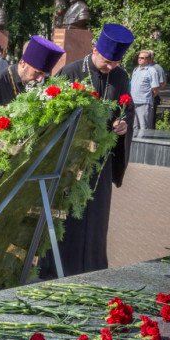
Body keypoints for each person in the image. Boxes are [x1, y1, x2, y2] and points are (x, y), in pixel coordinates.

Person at [51, 23, 134, 276]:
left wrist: (123, 124)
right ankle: (59, 266)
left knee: (96, 217)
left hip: (100, 163)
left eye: (115, 63)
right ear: (95, 50)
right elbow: (53, 114)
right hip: (71, 160)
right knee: (69, 215)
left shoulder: (120, 77)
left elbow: (127, 109)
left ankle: (94, 267)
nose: (110, 67)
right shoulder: (70, 72)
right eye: (107, 61)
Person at [0, 36, 65, 115]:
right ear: (24, 63)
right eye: (37, 73)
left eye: (44, 75)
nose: (40, 79)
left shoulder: (33, 86)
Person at [131, 50, 160, 137]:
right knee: (134, 126)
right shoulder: (136, 70)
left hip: (144, 102)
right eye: (139, 58)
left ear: (148, 59)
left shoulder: (152, 71)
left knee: (144, 127)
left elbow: (155, 88)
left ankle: (142, 145)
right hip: (133, 102)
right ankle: (133, 145)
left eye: (142, 58)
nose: (140, 59)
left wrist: (149, 98)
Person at [147, 50, 166, 127]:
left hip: (153, 96)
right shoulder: (142, 67)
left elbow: (163, 83)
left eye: (148, 56)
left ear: (152, 57)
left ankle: (150, 135)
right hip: (142, 96)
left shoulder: (157, 68)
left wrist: (154, 91)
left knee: (151, 119)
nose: (146, 58)